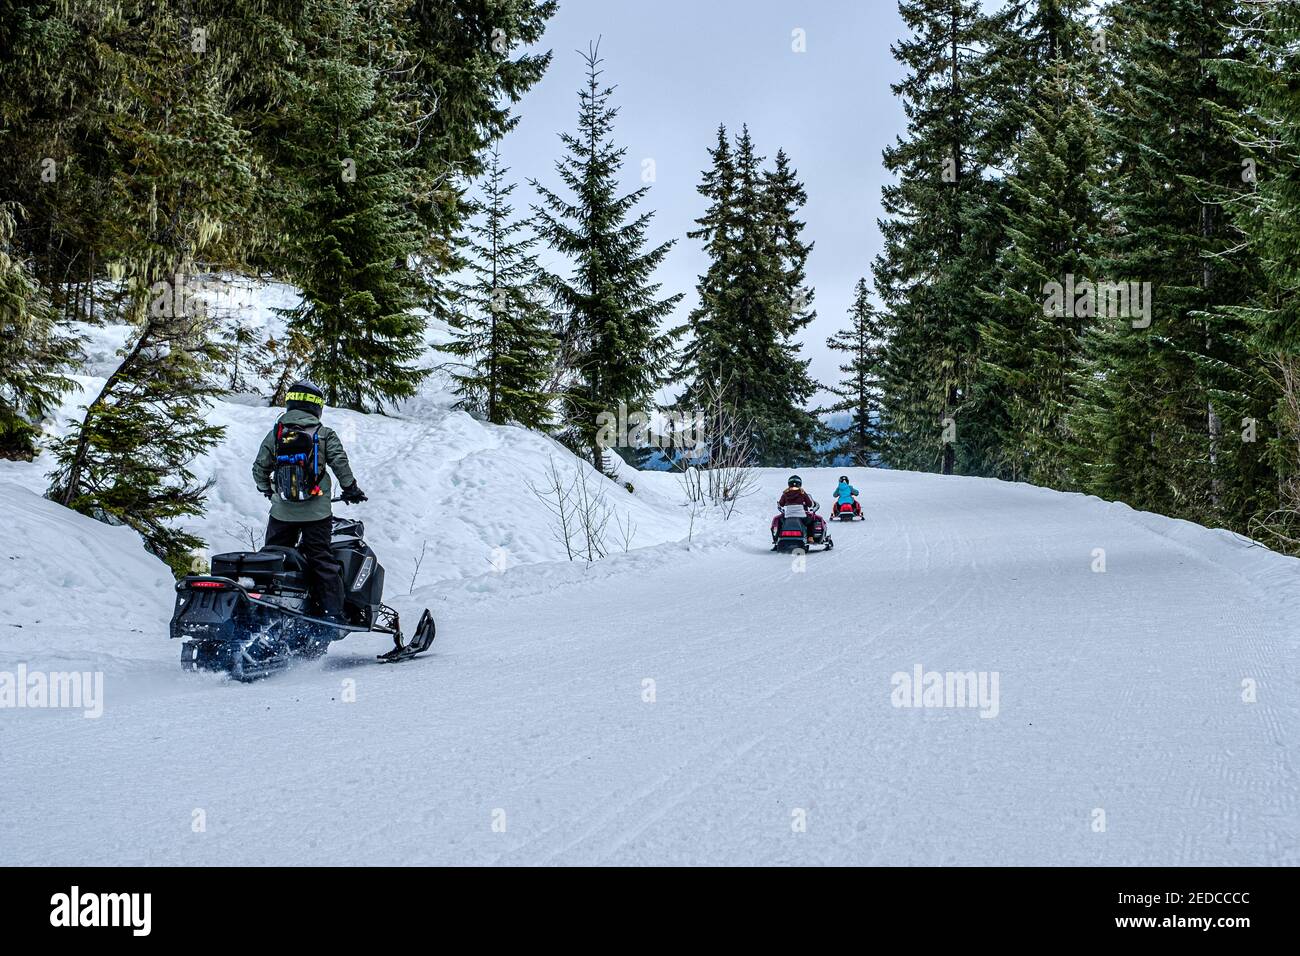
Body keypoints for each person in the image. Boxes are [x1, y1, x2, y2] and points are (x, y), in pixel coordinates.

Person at [252, 381, 366, 624]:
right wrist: (351, 489)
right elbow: (340, 464)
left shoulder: (277, 434)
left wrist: (268, 490)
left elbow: (259, 468)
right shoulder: (323, 434)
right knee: (322, 561)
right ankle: (331, 616)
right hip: (316, 512)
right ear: (317, 407)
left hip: (282, 512)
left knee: (274, 558)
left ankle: (265, 611)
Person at [776, 474, 818, 538]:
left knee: (779, 521)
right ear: (800, 483)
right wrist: (813, 504)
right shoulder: (802, 492)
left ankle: (777, 537)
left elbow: (781, 504)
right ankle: (810, 537)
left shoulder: (785, 493)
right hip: (801, 516)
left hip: (788, 516)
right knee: (812, 520)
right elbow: (810, 504)